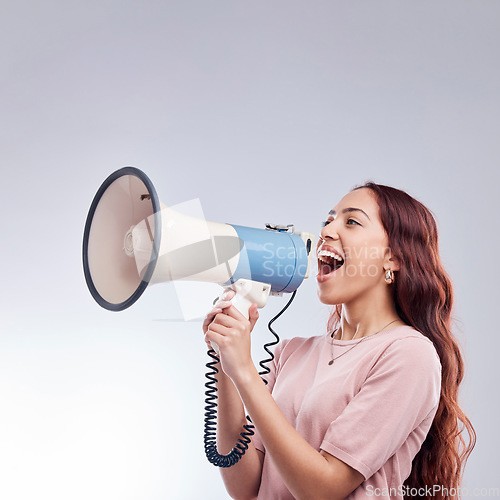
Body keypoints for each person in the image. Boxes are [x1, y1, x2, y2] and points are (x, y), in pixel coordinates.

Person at [203, 182, 475, 500]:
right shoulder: (290, 352)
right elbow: (245, 488)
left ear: (393, 259)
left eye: (351, 221)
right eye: (328, 221)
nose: (327, 231)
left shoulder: (408, 354)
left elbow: (323, 489)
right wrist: (225, 362)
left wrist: (246, 372)